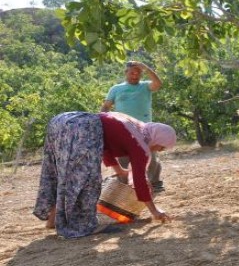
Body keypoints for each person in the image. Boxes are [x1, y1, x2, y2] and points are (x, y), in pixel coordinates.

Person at [33, 111, 176, 238]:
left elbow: (105, 145)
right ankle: (80, 225)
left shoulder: (134, 127)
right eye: (162, 147)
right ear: (158, 138)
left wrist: (119, 170)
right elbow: (139, 181)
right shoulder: (139, 144)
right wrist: (154, 210)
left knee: (63, 176)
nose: (158, 150)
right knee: (86, 181)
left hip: (64, 121)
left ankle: (53, 220)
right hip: (83, 129)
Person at [101, 60, 166, 191]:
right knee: (124, 159)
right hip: (122, 129)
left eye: (138, 73)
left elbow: (158, 84)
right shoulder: (116, 89)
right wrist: (101, 122)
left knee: (150, 157)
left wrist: (146, 67)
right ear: (126, 73)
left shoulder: (145, 86)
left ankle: (154, 183)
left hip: (144, 128)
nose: (135, 76)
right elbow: (106, 106)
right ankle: (125, 186)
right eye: (132, 73)